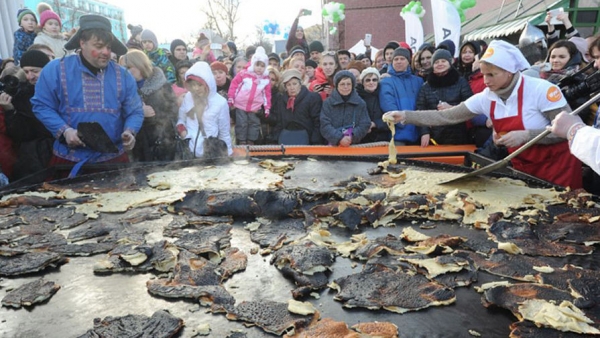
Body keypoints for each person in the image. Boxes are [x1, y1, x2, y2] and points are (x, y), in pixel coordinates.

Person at [383, 40, 582, 189]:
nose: (485, 80)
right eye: (484, 74)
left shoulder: (542, 90)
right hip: (524, 167)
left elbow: (573, 129)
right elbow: (447, 116)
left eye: (491, 75)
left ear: (509, 71)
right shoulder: (487, 97)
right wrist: (405, 115)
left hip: (558, 168)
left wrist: (527, 135)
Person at [32, 14, 144, 178]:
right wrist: (65, 131)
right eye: (98, 46)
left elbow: (135, 111)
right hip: (68, 162)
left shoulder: (124, 75)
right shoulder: (55, 69)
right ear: (82, 43)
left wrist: (130, 131)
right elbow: (41, 105)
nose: (106, 52)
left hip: (114, 162)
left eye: (108, 47)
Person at [0, 50, 53, 183]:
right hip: (34, 158)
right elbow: (21, 133)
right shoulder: (21, 95)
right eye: (26, 71)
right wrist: (10, 111)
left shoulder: (58, 90)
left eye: (35, 71)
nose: (30, 77)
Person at [119, 50, 178, 162]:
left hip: (162, 145)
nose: (125, 72)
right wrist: (139, 112)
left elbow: (173, 112)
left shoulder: (162, 86)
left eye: (128, 67)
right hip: (135, 147)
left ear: (139, 65)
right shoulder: (123, 90)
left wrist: (152, 116)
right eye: (123, 68)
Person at [415, 49, 474, 147]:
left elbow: (470, 105)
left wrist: (452, 107)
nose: (440, 64)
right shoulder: (426, 86)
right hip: (434, 135)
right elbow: (420, 109)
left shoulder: (461, 82)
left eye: (443, 61)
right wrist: (424, 132)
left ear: (450, 62)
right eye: (436, 62)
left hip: (458, 134)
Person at [176, 61, 232, 158]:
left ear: (207, 83)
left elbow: (224, 133)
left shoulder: (220, 102)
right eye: (193, 85)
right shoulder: (188, 97)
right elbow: (181, 119)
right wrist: (182, 131)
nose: (196, 88)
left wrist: (228, 155)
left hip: (210, 153)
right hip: (189, 153)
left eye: (199, 85)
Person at [228, 47, 272, 145]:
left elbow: (267, 95)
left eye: (262, 65)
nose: (259, 68)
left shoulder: (265, 80)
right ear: (253, 64)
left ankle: (251, 141)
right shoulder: (244, 74)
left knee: (254, 123)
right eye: (257, 65)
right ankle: (242, 141)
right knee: (241, 123)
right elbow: (234, 85)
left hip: (255, 107)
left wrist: (267, 108)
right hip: (241, 104)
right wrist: (231, 98)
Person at [379, 47, 423, 145]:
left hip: (418, 132)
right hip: (397, 134)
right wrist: (401, 123)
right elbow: (388, 104)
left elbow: (422, 105)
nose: (399, 62)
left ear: (408, 61)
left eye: (402, 59)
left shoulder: (418, 81)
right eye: (396, 59)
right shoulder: (386, 81)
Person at [271, 69, 323, 145]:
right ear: (285, 87)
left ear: (300, 84)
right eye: (289, 85)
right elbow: (279, 123)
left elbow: (317, 122)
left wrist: (315, 142)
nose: (292, 87)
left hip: (308, 141)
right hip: (286, 139)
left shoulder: (312, 98)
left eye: (294, 84)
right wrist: (275, 139)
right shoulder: (281, 100)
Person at [320, 71, 371, 146]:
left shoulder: (360, 103)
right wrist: (339, 138)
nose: (346, 87)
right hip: (332, 146)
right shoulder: (328, 103)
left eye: (348, 84)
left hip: (355, 146)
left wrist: (352, 136)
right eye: (342, 84)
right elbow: (325, 125)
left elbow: (365, 124)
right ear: (337, 86)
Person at [357, 67, 388, 143]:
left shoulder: (384, 95)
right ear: (362, 82)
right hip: (362, 139)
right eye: (368, 80)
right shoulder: (356, 97)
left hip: (382, 138)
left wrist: (375, 124)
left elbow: (391, 118)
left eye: (374, 80)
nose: (371, 82)